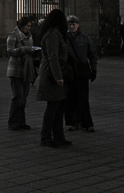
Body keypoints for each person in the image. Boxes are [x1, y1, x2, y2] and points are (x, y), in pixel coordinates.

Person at [36, 8, 71, 148]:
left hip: (57, 72)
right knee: (53, 106)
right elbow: (53, 57)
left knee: (59, 106)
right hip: (51, 74)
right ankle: (46, 137)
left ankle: (59, 137)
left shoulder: (56, 34)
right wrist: (58, 77)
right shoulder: (52, 35)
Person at [64, 15, 98, 132]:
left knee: (83, 98)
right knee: (70, 97)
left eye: (74, 24)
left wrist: (94, 69)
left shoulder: (85, 38)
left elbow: (92, 54)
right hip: (70, 71)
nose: (72, 26)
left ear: (78, 25)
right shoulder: (64, 38)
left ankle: (86, 122)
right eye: (69, 24)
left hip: (82, 71)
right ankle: (71, 122)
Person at [6, 16, 35, 130]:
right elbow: (10, 51)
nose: (28, 28)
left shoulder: (30, 35)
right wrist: (24, 49)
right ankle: (13, 121)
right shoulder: (13, 35)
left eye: (29, 26)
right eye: (26, 26)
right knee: (17, 97)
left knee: (24, 97)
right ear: (21, 26)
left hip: (26, 68)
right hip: (16, 69)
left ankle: (22, 121)